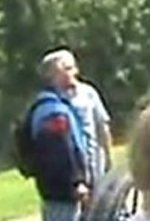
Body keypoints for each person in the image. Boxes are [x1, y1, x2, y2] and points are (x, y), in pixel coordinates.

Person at [31, 52, 90, 221]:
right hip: (60, 189)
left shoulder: (48, 105)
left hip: (52, 186)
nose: (74, 72)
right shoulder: (53, 111)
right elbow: (61, 152)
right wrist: (76, 182)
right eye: (67, 68)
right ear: (53, 75)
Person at [46, 49, 113, 187]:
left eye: (71, 68)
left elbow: (102, 126)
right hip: (70, 176)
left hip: (96, 167)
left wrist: (108, 158)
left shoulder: (88, 93)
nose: (70, 73)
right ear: (52, 75)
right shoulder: (51, 102)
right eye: (63, 70)